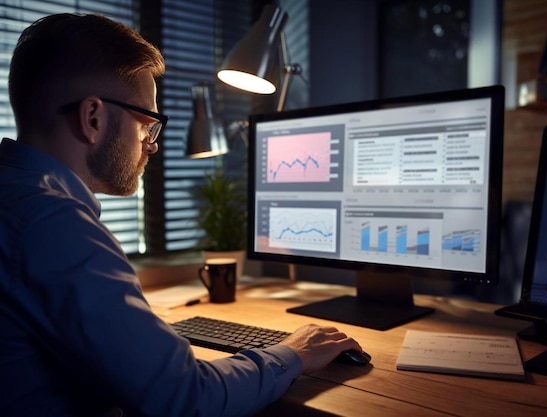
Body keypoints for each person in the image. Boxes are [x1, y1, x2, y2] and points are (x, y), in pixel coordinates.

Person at [0, 13, 363, 417]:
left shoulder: (17, 200)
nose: (151, 145)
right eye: (148, 124)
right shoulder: (54, 227)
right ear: (93, 118)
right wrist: (293, 353)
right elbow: (186, 398)